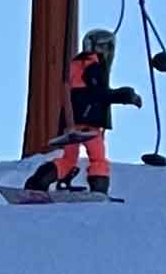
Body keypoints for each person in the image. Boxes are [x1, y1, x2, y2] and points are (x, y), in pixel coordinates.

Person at [24, 28, 144, 196]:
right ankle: (98, 190)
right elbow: (99, 94)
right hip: (89, 121)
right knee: (97, 158)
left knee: (68, 159)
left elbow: (75, 91)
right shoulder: (94, 67)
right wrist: (127, 95)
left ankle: (38, 182)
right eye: (105, 47)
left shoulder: (75, 65)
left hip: (71, 122)